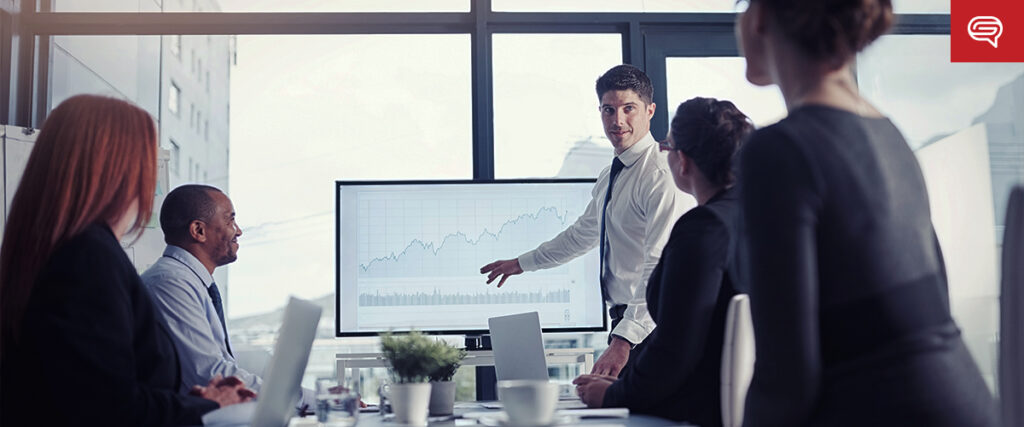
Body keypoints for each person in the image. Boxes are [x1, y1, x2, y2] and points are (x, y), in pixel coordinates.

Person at [734, 0, 998, 425]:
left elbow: (785, 379)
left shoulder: (778, 152)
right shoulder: (887, 133)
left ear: (760, 17)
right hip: (963, 402)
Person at [0, 95, 254, 427]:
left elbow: (90, 392)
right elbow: (110, 409)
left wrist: (195, 402)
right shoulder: (88, 258)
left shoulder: (55, 250)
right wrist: (204, 407)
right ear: (117, 171)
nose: (152, 183)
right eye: (146, 165)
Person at [480, 64, 689, 376]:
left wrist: (623, 341)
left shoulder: (659, 175)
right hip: (627, 324)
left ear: (650, 111)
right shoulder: (611, 176)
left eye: (628, 109)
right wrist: (521, 263)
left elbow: (660, 265)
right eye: (608, 110)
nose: (617, 121)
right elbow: (582, 235)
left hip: (650, 326)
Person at [572, 97, 751, 426]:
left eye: (666, 145)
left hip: (693, 411)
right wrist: (628, 385)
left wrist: (614, 396)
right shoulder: (757, 218)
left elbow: (676, 348)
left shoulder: (703, 229)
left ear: (682, 161)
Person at [141, 185, 255, 393]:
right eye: (230, 220)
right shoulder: (170, 283)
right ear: (198, 231)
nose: (238, 230)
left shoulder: (192, 281)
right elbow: (211, 375)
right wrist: (297, 399)